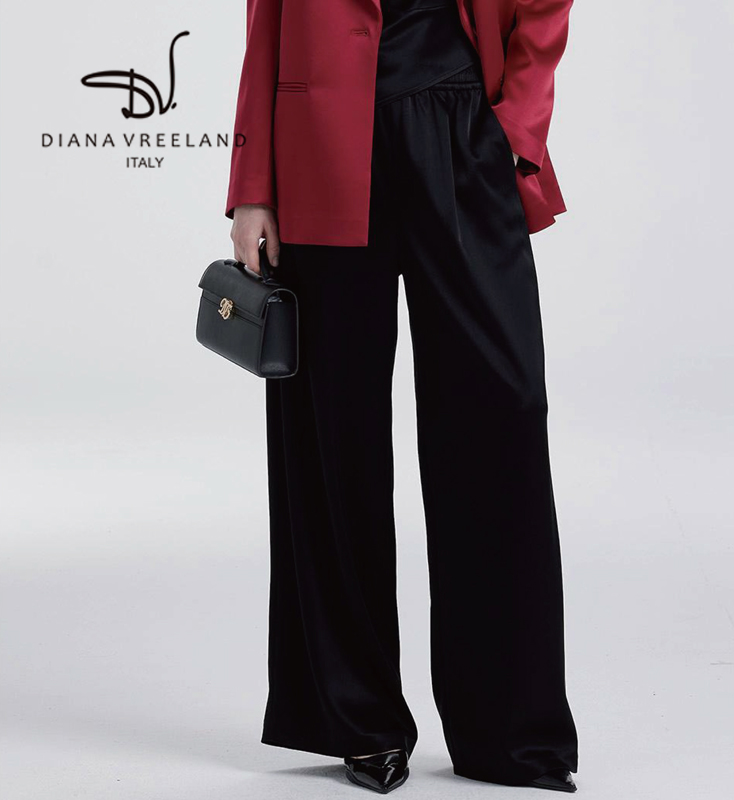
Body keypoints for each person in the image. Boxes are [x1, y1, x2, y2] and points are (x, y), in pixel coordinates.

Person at [226, 0, 579, 793]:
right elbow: (266, 22)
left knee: (501, 413)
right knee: (334, 433)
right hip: (319, 142)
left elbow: (543, 9)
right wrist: (252, 185)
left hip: (461, 128)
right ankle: (360, 720)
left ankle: (507, 731)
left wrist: (513, 133)